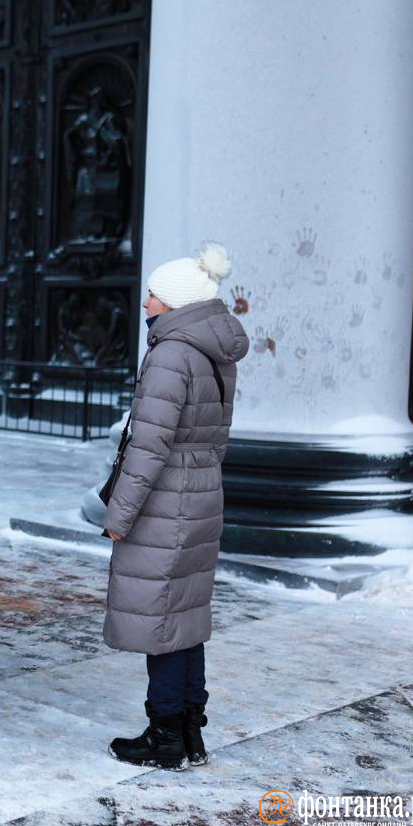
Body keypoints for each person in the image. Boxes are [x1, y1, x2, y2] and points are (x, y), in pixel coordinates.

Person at [102, 242, 249, 770]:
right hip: (202, 490)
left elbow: (149, 447)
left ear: (177, 301)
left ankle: (164, 736)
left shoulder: (169, 353)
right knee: (185, 614)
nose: (145, 301)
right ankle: (189, 731)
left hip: (166, 500)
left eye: (153, 293)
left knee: (162, 619)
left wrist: (118, 517)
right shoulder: (214, 353)